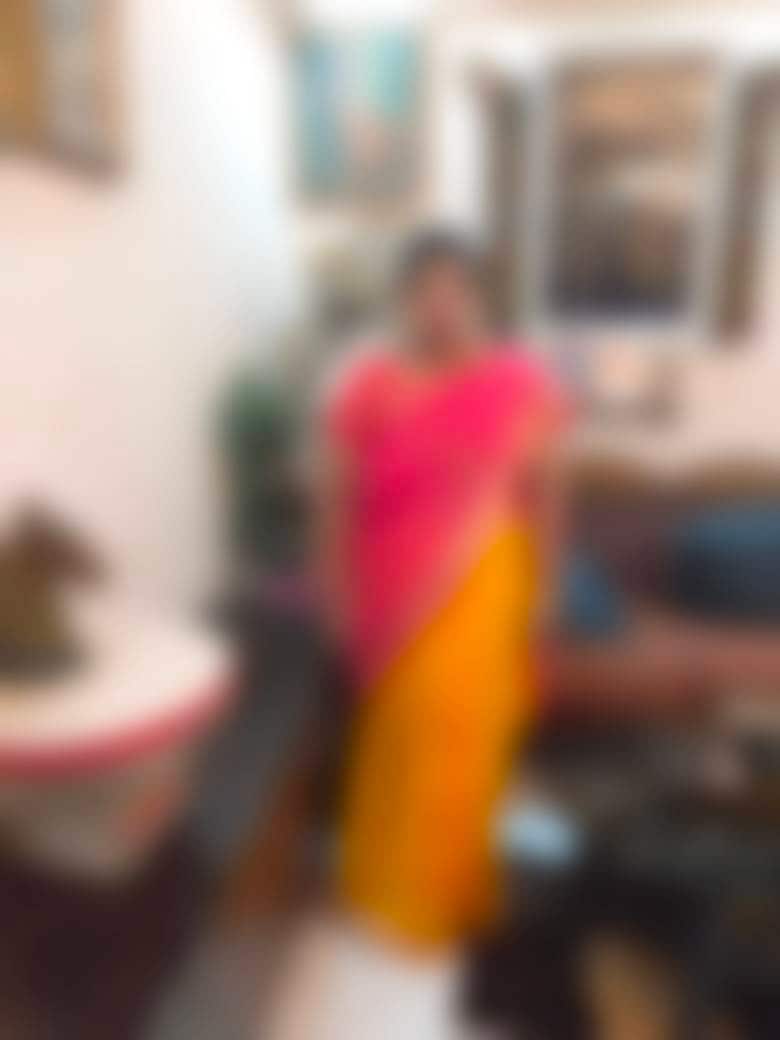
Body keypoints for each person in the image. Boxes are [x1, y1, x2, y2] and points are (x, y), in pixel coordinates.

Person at [316, 229, 571, 953]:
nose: (442, 305)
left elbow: (548, 494)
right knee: (400, 737)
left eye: (458, 289)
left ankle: (442, 894)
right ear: (403, 301)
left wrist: (545, 591)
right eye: (425, 290)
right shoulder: (369, 386)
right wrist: (335, 599)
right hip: (387, 588)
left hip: (488, 579)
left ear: (480, 298)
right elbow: (334, 502)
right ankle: (385, 886)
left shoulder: (519, 383)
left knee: (463, 737)